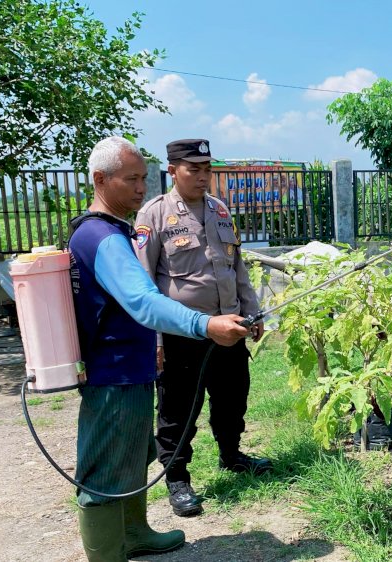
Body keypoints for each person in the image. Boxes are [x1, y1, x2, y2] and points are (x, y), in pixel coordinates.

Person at [68, 136, 249, 561]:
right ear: (100, 179)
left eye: (143, 178)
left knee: (132, 456)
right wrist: (203, 323)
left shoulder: (109, 230)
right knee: (105, 471)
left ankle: (133, 534)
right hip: (114, 373)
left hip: (130, 370)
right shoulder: (104, 238)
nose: (139, 188)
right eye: (131, 179)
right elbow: (145, 301)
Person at [133, 138, 273, 518]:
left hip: (229, 328)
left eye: (207, 169)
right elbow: (144, 284)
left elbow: (236, 267)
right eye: (193, 169)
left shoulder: (220, 210)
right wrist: (156, 339)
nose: (202, 176)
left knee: (232, 398)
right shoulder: (154, 215)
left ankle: (232, 454)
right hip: (183, 335)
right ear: (173, 170)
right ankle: (177, 478)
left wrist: (252, 311)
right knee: (179, 410)